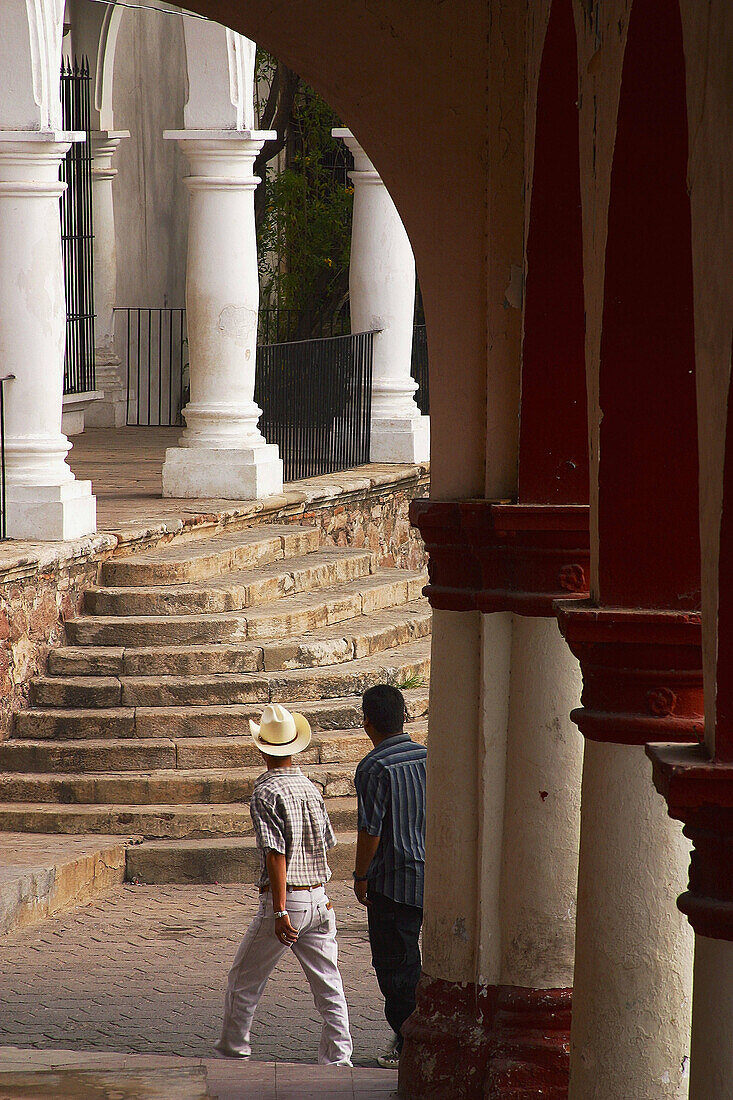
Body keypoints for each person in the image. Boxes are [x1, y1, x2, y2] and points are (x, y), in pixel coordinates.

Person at [215, 702, 353, 1066]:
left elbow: (275, 855)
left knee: (244, 981)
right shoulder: (310, 787)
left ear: (261, 748)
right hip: (319, 899)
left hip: (287, 902)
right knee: (329, 984)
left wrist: (278, 910)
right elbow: (325, 842)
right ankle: (339, 1059)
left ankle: (234, 1050)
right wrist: (322, 891)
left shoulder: (265, 793)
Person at [353, 683, 427, 1070]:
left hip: (392, 881)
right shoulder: (427, 757)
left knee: (395, 968)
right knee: (413, 962)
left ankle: (409, 1040)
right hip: (429, 875)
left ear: (367, 721)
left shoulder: (373, 767)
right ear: (404, 716)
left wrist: (360, 875)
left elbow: (371, 829)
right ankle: (411, 1035)